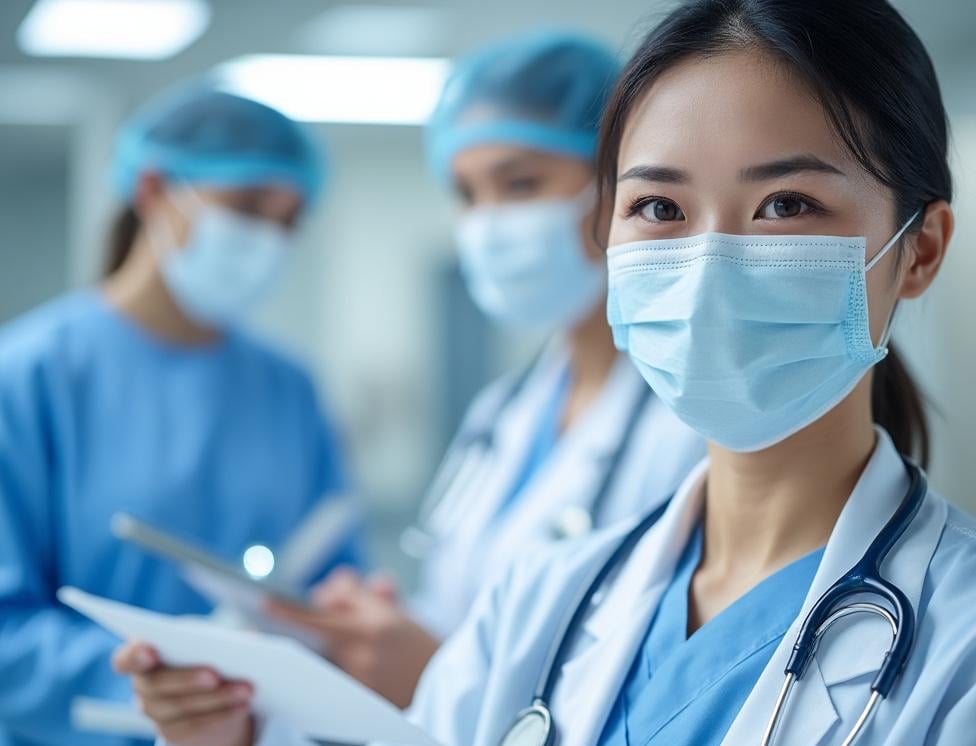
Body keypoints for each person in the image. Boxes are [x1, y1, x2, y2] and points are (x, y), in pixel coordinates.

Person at [118, 1, 976, 746]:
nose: (707, 263)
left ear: (922, 250)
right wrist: (240, 743)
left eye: (786, 205)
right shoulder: (545, 598)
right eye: (658, 208)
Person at [257, 30, 707, 709]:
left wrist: (441, 676)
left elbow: (680, 688)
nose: (490, 221)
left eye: (521, 183)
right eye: (467, 194)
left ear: (619, 179)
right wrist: (384, 634)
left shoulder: (695, 421)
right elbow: (460, 608)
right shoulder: (502, 413)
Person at [0, 84, 366, 746]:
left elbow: (334, 567)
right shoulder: (28, 377)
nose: (269, 240)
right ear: (152, 190)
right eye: (250, 209)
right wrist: (159, 675)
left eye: (290, 221)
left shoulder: (288, 388)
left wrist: (343, 622)